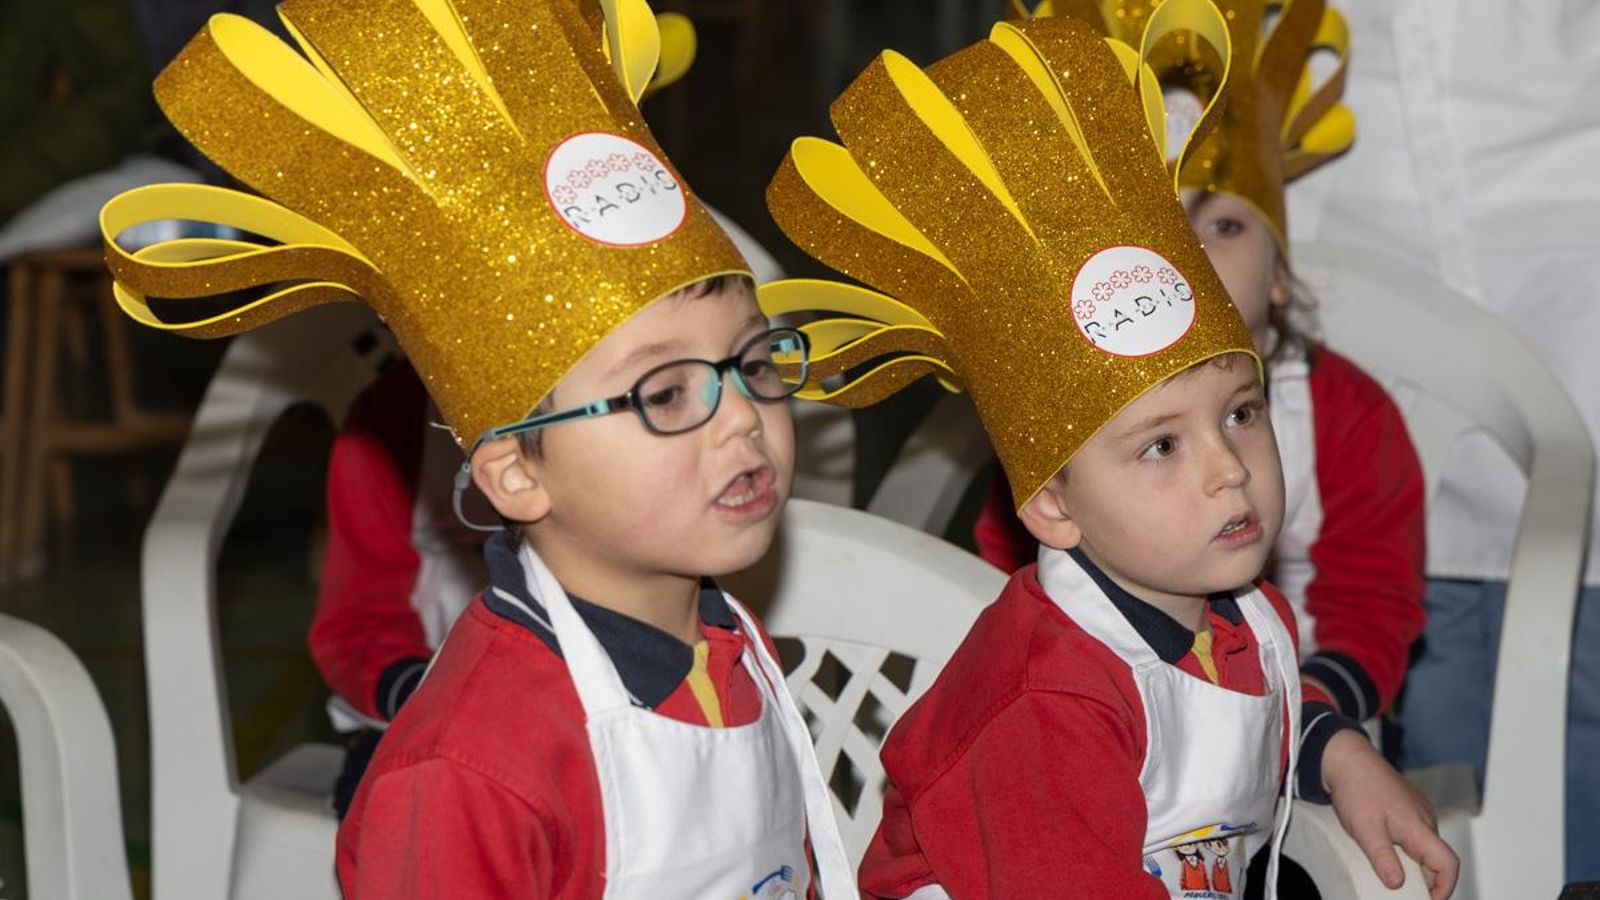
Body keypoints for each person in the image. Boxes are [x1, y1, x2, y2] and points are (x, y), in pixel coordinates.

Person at [98, 0, 855, 897]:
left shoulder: (734, 647)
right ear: (514, 472)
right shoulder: (465, 775)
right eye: (665, 393)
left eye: (755, 361)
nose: (741, 417)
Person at [758, 10, 1455, 898]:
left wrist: (1339, 753)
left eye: (1241, 413)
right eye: (1161, 444)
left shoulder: (1237, 610)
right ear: (1053, 505)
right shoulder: (1047, 702)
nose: (1228, 468)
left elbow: (1264, 716)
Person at [975, 0, 1428, 736]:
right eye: (1164, 223)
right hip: (1101, 708)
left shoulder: (1349, 412)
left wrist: (1311, 715)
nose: (1189, 254)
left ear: (1281, 271)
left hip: (1316, 714)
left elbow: (1374, 596)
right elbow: (1008, 577)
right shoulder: (1074, 415)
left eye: (1222, 225)